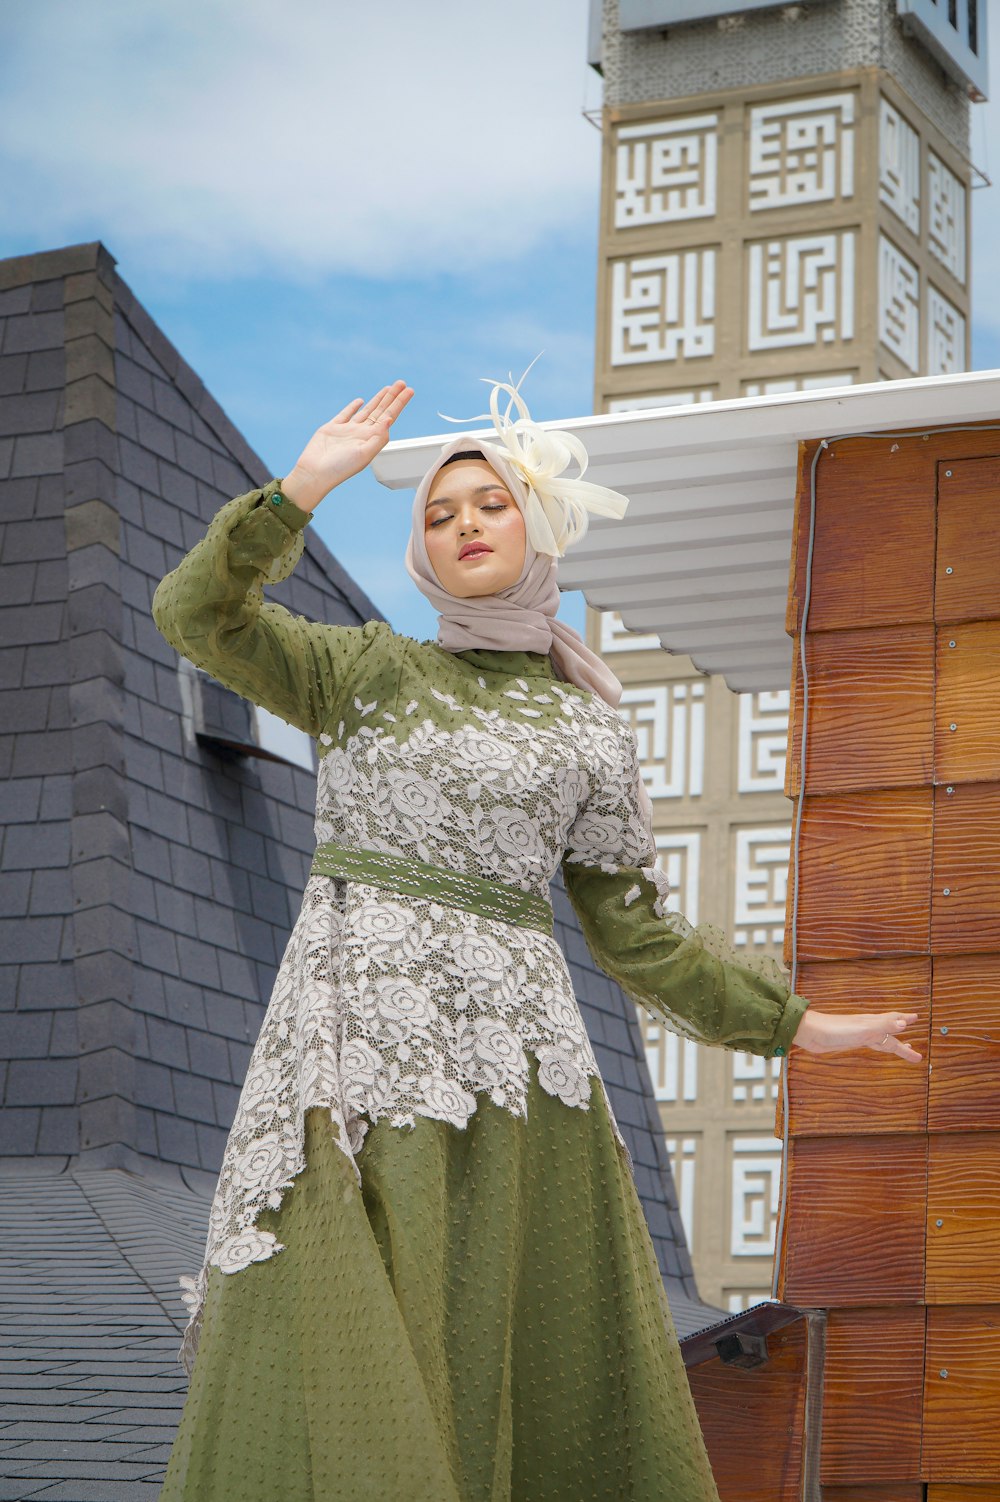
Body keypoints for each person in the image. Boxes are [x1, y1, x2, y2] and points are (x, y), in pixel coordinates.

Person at [152, 378, 921, 1502]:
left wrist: (801, 1027)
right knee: (344, 1327)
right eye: (436, 511)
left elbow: (638, 939)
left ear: (536, 524)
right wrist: (300, 489)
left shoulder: (588, 728)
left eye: (489, 503)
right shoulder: (364, 672)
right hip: (355, 1059)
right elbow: (196, 615)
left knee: (504, 1356)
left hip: (520, 1091)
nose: (462, 522)